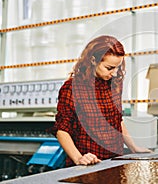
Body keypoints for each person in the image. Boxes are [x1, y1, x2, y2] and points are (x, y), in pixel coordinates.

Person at [48, 35, 151, 167]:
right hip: (88, 162)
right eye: (109, 68)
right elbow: (62, 130)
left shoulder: (115, 84)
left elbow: (117, 120)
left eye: (117, 67)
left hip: (114, 161)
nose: (114, 73)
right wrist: (79, 158)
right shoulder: (72, 88)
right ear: (93, 60)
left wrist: (134, 147)